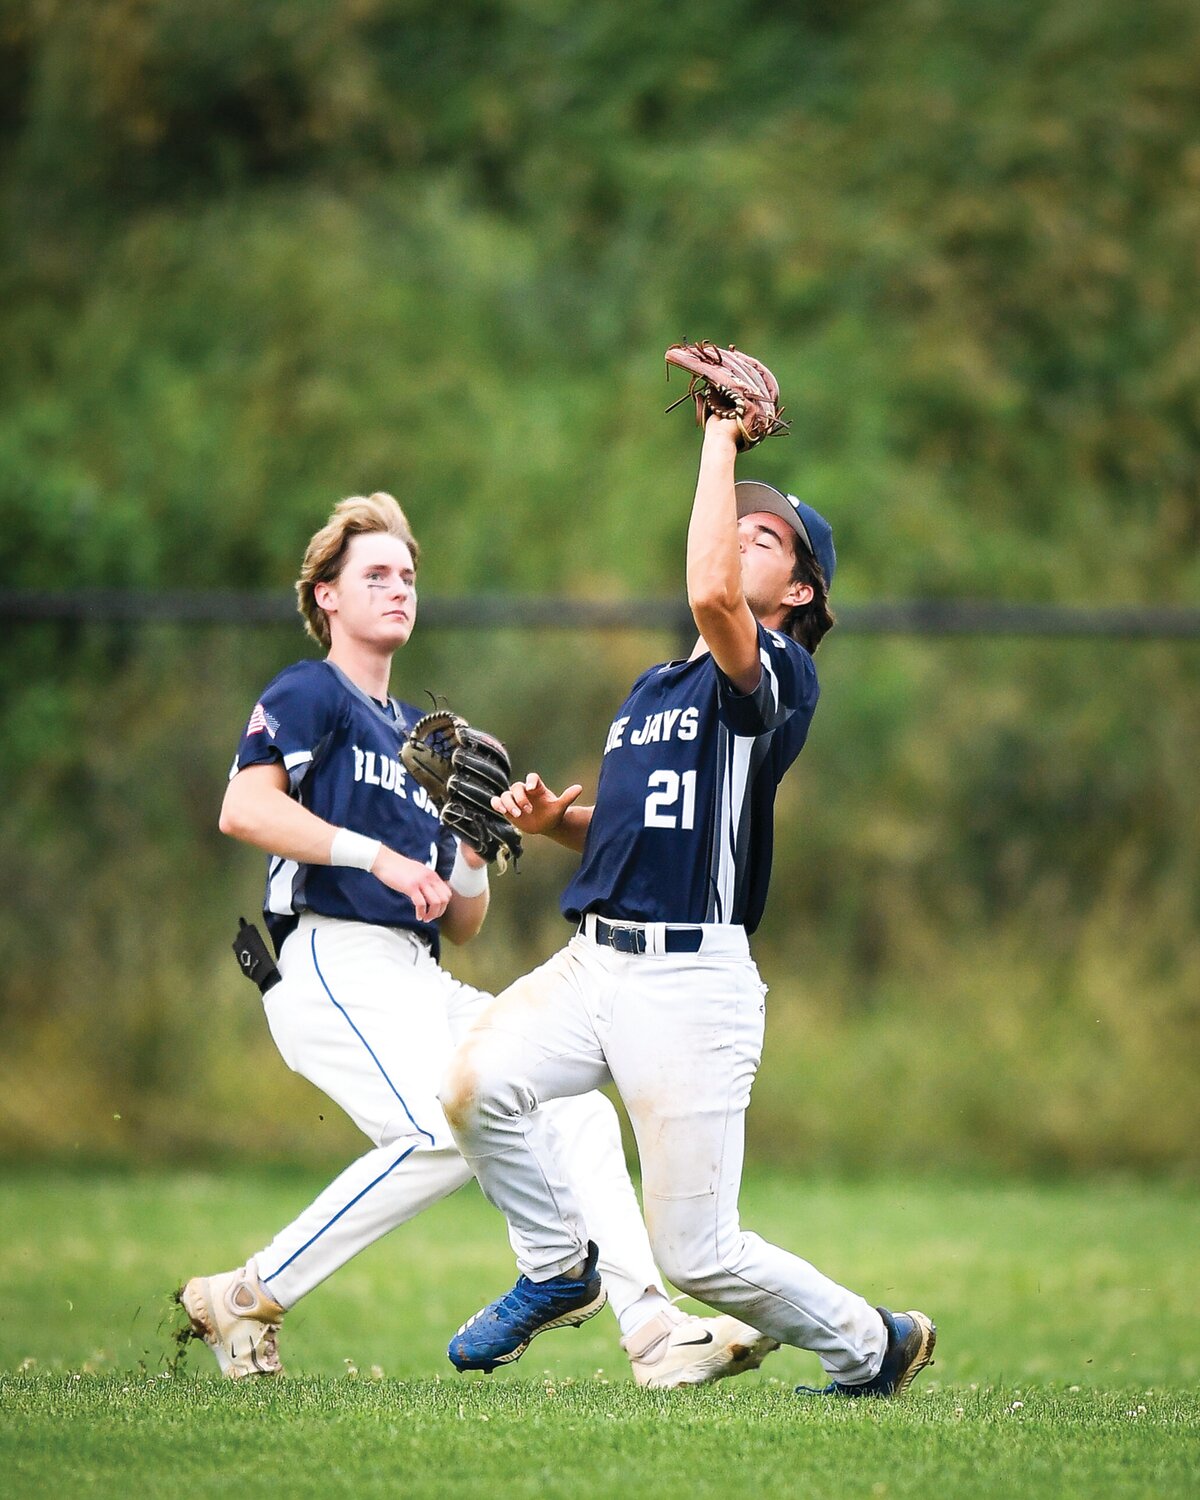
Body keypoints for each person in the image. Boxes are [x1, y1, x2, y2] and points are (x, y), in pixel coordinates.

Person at [177, 490, 778, 1389]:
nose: (397, 588)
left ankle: (651, 1329)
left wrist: (466, 848)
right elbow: (244, 808)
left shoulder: (416, 740)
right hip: (327, 961)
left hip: (411, 973)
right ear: (326, 597)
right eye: (373, 574)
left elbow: (460, 922)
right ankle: (253, 1294)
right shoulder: (310, 693)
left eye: (408, 576)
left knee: (565, 1105)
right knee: (433, 1132)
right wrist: (382, 858)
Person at [439, 417, 937, 1397]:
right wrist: (555, 824)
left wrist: (720, 441)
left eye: (766, 536)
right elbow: (641, 823)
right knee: (472, 1085)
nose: (738, 537)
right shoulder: (655, 686)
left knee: (699, 1256)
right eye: (735, 524)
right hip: (595, 964)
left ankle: (876, 1345)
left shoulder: (778, 676)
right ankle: (560, 1269)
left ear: (799, 590)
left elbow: (711, 593)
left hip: (688, 984)